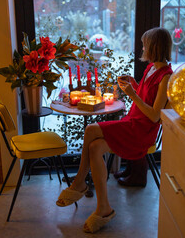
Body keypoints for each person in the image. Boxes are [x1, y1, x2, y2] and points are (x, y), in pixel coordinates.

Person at [56, 27, 173, 233]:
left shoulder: (166, 76)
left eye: (145, 44)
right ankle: (104, 208)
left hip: (141, 131)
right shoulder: (151, 68)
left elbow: (155, 116)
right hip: (133, 122)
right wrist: (136, 85)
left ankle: (79, 182)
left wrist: (132, 95)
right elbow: (148, 97)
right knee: (94, 147)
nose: (143, 47)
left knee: (91, 129)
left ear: (154, 47)